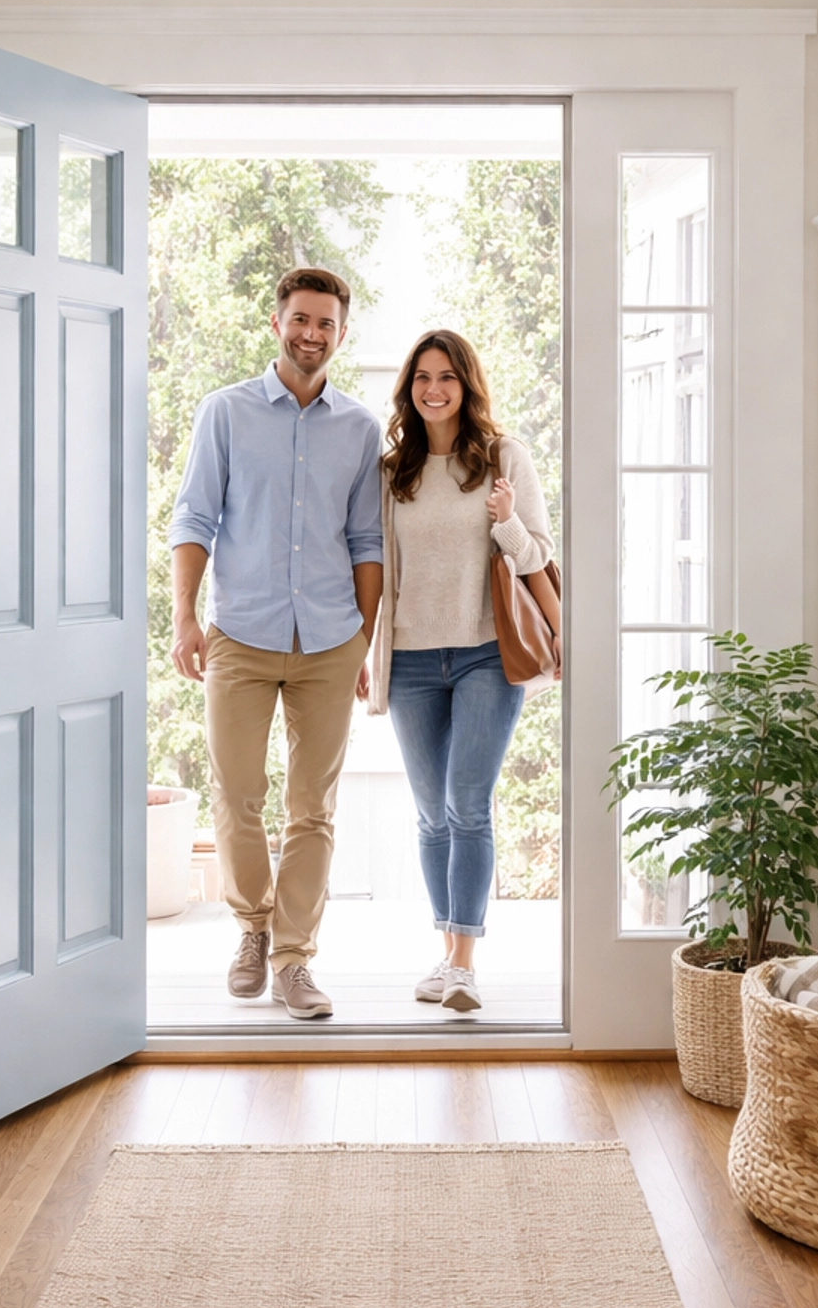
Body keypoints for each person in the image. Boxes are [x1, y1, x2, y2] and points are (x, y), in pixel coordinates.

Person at [169, 267, 383, 1020]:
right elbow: (194, 519)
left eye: (326, 323)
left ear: (341, 333)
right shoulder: (224, 414)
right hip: (242, 634)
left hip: (330, 639)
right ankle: (254, 930)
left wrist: (364, 638)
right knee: (236, 796)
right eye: (300, 319)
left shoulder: (359, 428)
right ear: (276, 322)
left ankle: (295, 960)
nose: (311, 334)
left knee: (313, 808)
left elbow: (366, 541)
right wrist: (184, 619)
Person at [367, 329, 557, 1015]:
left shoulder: (505, 457)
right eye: (422, 377)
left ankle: (464, 964)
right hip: (413, 658)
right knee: (430, 816)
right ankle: (446, 951)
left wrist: (505, 520)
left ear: (466, 384)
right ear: (409, 388)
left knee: (466, 805)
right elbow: (378, 571)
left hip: (485, 653)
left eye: (446, 376)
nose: (434, 388)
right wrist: (371, 655)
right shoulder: (394, 473)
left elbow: (536, 556)